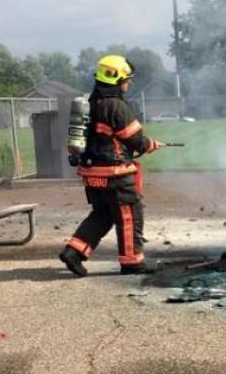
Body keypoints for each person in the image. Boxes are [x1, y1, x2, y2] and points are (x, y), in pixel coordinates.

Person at [59, 54, 164, 276]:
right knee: (129, 216)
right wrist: (150, 144)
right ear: (117, 80)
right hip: (115, 174)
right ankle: (132, 263)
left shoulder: (91, 104)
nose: (128, 83)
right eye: (126, 79)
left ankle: (74, 252)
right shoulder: (117, 106)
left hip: (92, 174)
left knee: (103, 215)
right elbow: (134, 140)